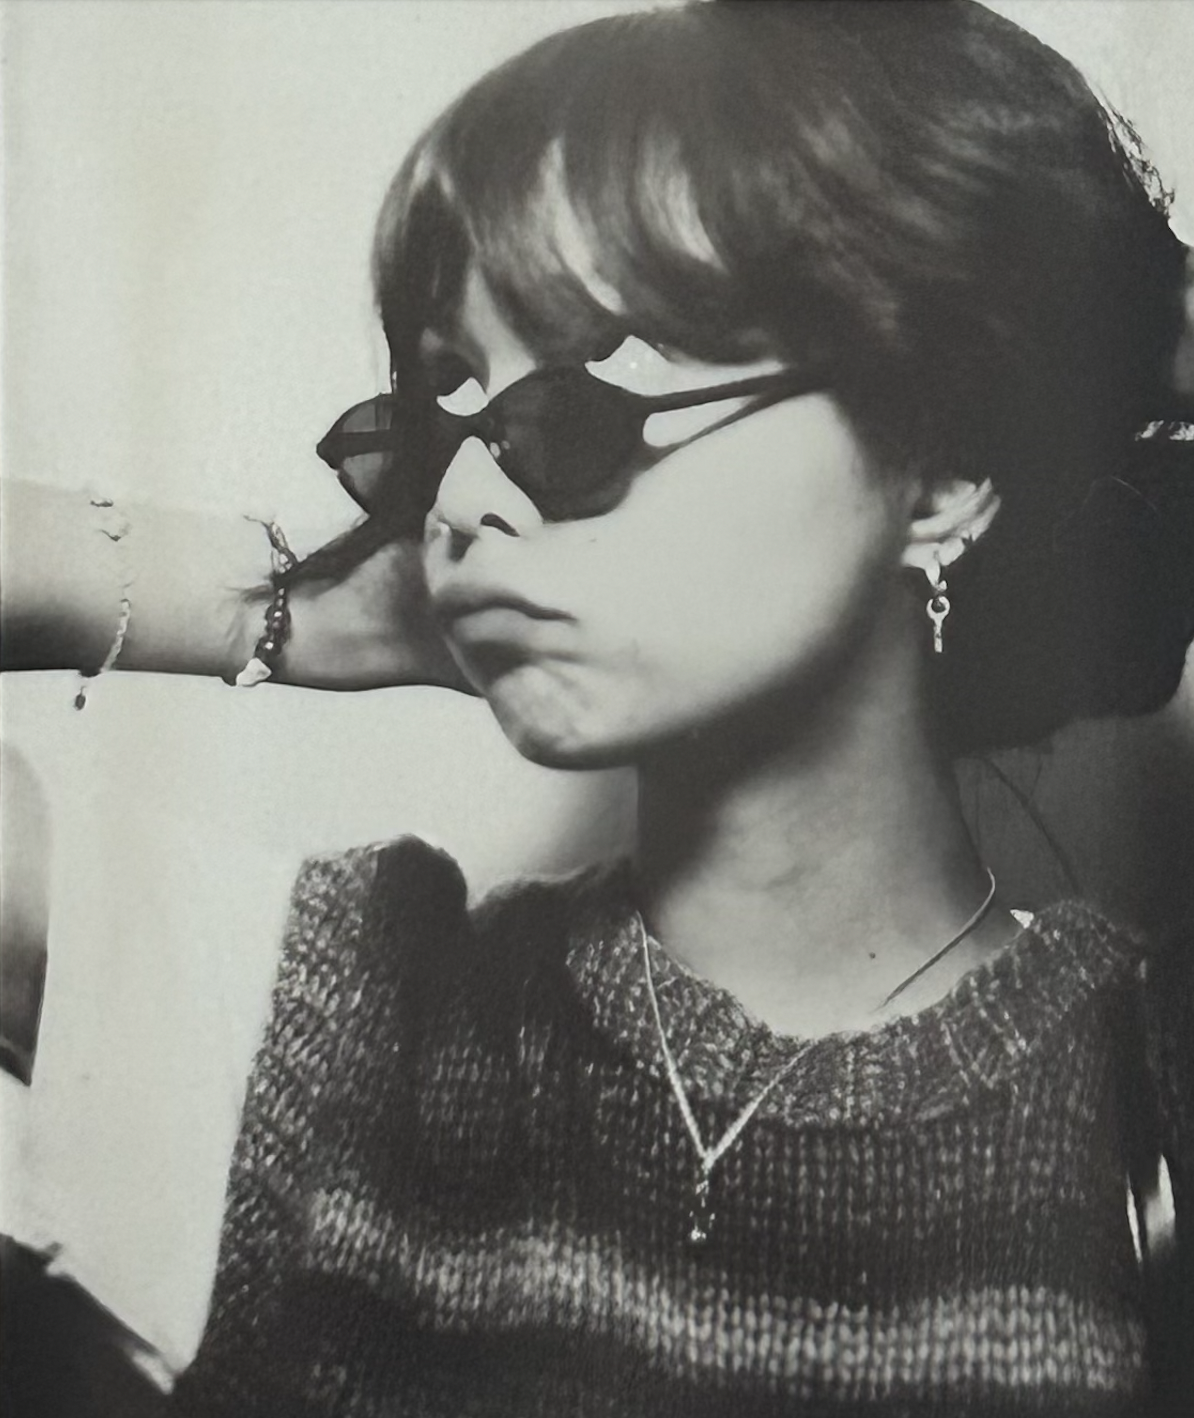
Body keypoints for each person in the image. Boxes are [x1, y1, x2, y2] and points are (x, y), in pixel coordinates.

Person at [3, 1, 1193, 1414]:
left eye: (577, 406)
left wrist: (1127, 326)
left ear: (936, 479)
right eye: (445, 418)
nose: (460, 497)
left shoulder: (1146, 1089)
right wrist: (284, 608)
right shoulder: (337, 1030)